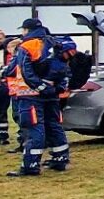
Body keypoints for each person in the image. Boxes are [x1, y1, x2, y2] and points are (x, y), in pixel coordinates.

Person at [7, 18, 69, 176]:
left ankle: (31, 164)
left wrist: (40, 87)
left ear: (27, 30)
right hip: (53, 93)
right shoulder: (55, 43)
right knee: (54, 125)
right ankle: (60, 158)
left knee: (34, 127)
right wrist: (55, 88)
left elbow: (26, 71)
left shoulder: (27, 46)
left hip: (31, 95)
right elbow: (64, 69)